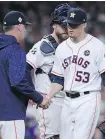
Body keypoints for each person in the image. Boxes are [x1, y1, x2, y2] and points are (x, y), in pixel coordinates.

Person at [46, 7, 105, 139]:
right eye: (68, 24)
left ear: (84, 24)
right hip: (67, 101)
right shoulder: (61, 48)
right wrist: (48, 97)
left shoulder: (97, 46)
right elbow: (58, 79)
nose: (70, 28)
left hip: (88, 99)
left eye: (74, 25)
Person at [0, 11, 49, 139]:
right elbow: (17, 81)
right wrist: (38, 98)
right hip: (11, 116)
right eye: (24, 27)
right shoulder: (15, 49)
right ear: (19, 27)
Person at [26, 3, 71, 139]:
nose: (66, 29)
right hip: (49, 103)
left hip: (68, 101)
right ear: (54, 25)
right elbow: (24, 68)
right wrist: (33, 94)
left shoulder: (70, 48)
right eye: (63, 25)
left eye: (69, 26)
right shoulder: (42, 46)